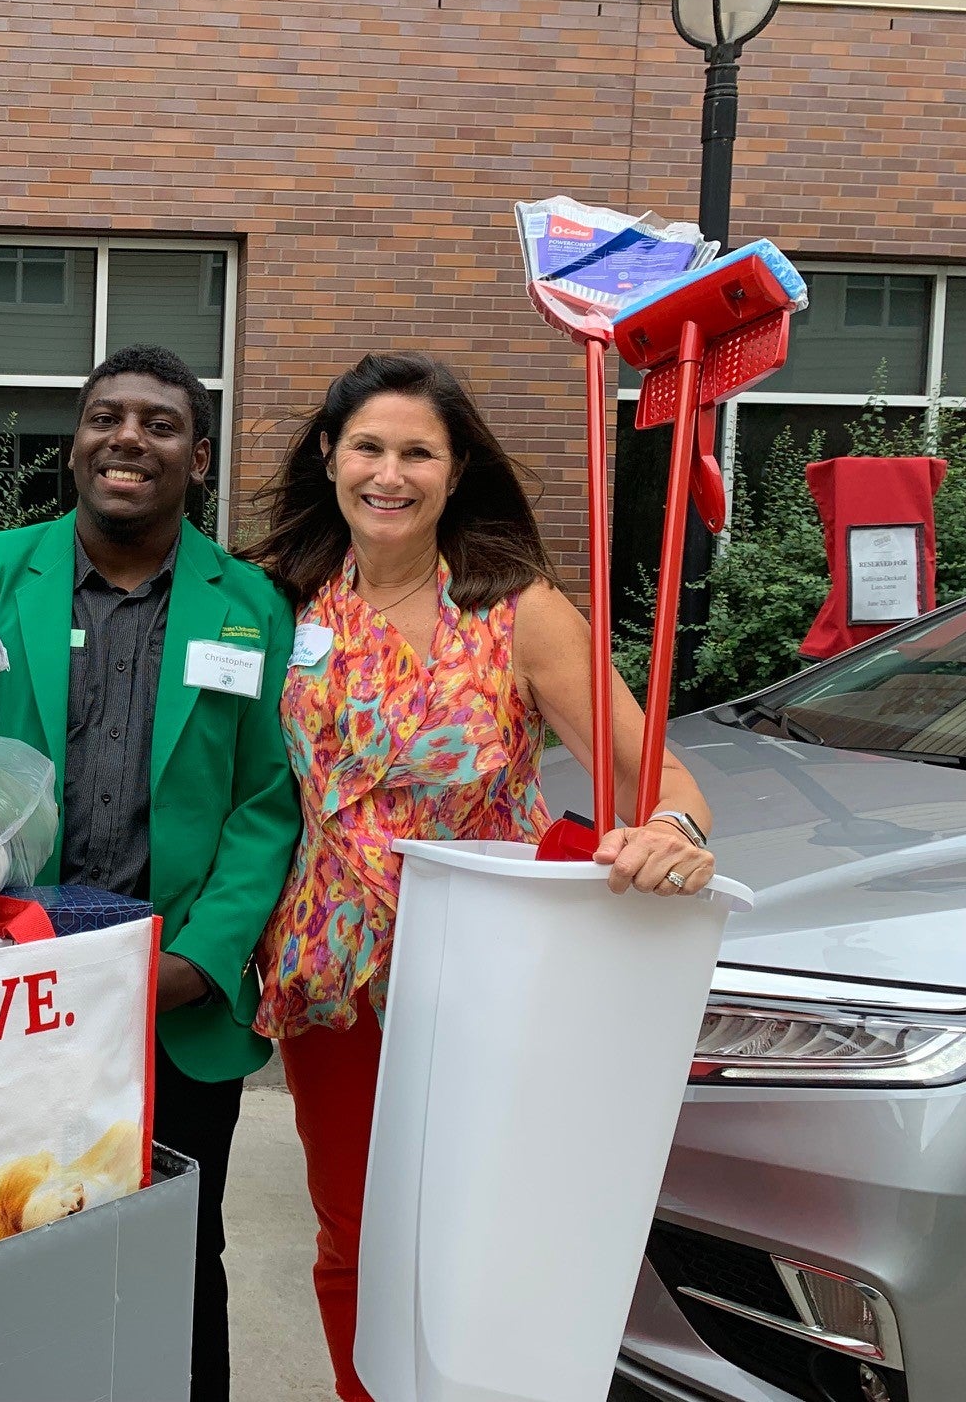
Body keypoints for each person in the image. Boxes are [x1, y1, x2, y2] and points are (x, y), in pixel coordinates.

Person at [240, 352, 718, 1401]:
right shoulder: (282, 605)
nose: (390, 473)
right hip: (335, 978)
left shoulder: (518, 611)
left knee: (481, 1234)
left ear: (457, 473)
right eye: (368, 446)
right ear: (329, 457)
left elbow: (661, 776)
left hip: (487, 976)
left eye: (419, 452)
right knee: (354, 1235)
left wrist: (671, 831)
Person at [0, 343, 300, 1402]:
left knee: (179, 1258)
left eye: (159, 424)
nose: (128, 438)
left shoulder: (251, 605)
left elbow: (267, 803)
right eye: (105, 417)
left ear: (200, 458)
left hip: (171, 999)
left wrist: (201, 958)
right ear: (77, 441)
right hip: (4, 993)